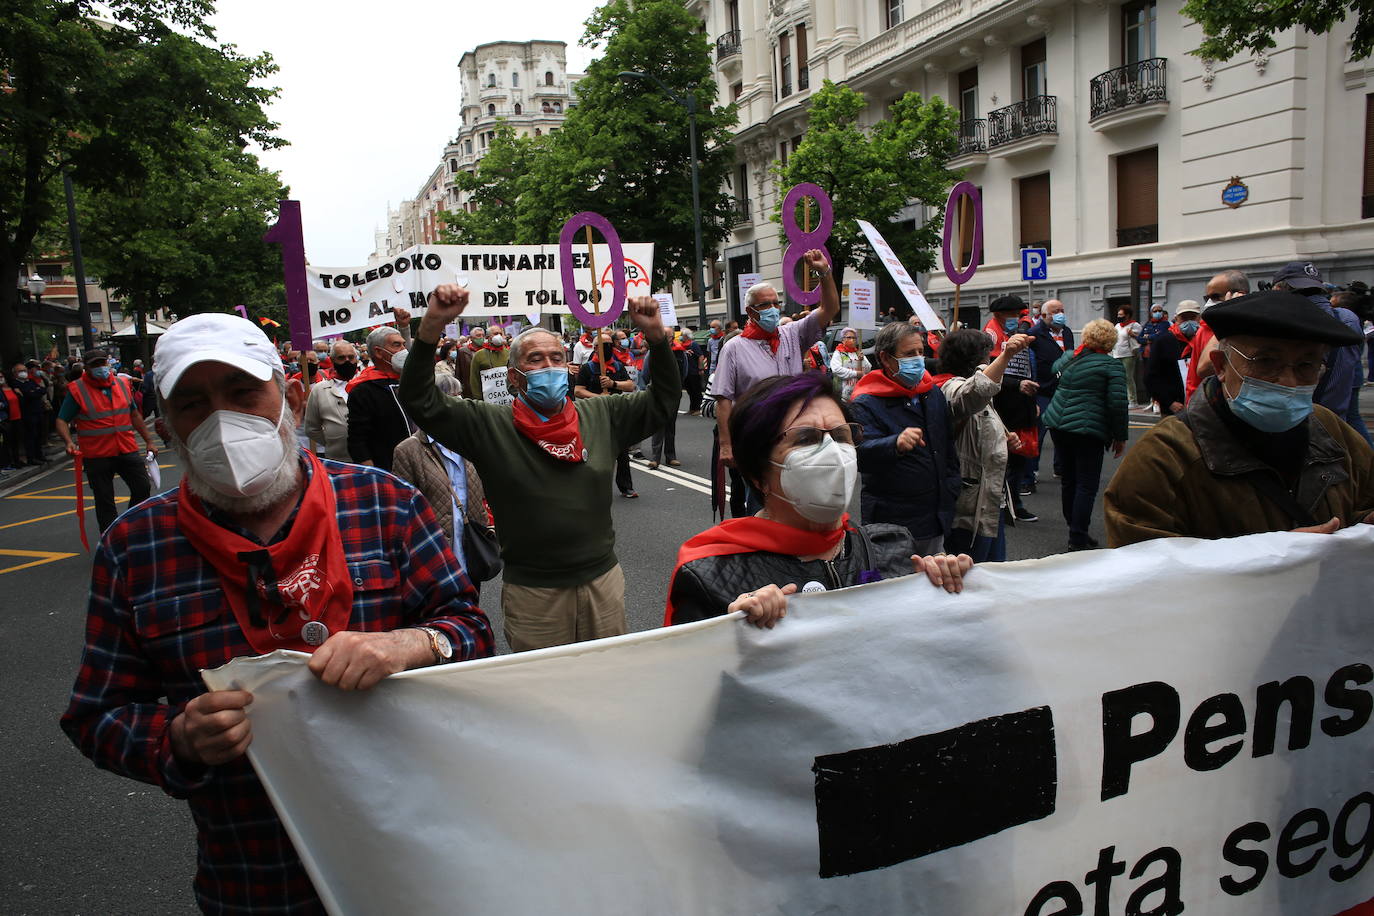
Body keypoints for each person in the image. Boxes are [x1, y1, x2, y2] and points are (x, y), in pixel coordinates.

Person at [59, 312, 492, 915]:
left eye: (242, 394)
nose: (222, 421)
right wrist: (177, 739)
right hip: (254, 878)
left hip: (413, 855)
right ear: (166, 426)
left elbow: (468, 629)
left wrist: (410, 645)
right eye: (193, 404)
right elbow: (97, 715)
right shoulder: (135, 547)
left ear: (288, 395)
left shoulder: (383, 502)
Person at [402, 288, 681, 652]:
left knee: (609, 685)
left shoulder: (602, 414)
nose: (548, 366)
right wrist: (431, 327)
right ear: (515, 377)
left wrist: (658, 338)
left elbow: (664, 399)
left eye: (556, 358)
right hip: (534, 596)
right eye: (535, 359)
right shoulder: (488, 425)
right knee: (545, 698)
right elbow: (419, 399)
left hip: (602, 584)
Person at [664, 371, 973, 626]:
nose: (834, 453)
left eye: (841, 436)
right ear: (759, 474)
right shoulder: (710, 577)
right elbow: (695, 686)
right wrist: (730, 633)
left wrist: (940, 590)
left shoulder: (892, 547)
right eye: (806, 439)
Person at [1106, 290, 1374, 545]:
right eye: (1266, 361)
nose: (1288, 381)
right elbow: (1142, 568)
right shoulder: (1164, 456)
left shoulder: (1331, 431)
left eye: (1307, 365)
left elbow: (1364, 501)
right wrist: (1267, 560)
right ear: (1221, 366)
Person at [712, 251, 840, 513]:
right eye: (764, 305)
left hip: (795, 433)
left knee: (796, 496)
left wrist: (824, 272)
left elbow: (830, 309)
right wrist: (727, 446)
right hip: (756, 437)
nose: (772, 309)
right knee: (761, 500)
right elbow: (723, 399)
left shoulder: (793, 333)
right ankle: (759, 549)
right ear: (750, 311)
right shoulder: (734, 348)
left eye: (776, 303)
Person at [850, 321, 960, 555]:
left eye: (921, 352)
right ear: (886, 358)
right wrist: (894, 444)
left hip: (936, 512)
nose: (919, 360)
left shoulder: (931, 392)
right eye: (909, 354)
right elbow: (858, 454)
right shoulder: (865, 402)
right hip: (893, 520)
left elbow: (947, 444)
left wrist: (952, 484)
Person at [391, 374, 495, 595]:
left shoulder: (472, 440)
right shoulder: (408, 450)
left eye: (459, 396)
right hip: (433, 553)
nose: (457, 402)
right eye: (450, 397)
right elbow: (400, 510)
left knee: (471, 609)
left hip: (471, 546)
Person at [937, 329, 1033, 561]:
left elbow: (982, 422)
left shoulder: (976, 386)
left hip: (989, 500)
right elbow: (977, 391)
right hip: (969, 505)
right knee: (972, 575)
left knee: (993, 575)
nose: (991, 360)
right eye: (987, 357)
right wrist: (1006, 355)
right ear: (974, 360)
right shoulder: (949, 387)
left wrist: (1003, 439)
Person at [1043, 319, 1129, 551]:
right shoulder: (1111, 366)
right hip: (1089, 429)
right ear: (1110, 340)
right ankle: (1078, 536)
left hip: (1059, 424)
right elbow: (1117, 404)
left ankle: (1075, 527)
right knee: (1087, 484)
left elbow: (1053, 369)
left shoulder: (1070, 357)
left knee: (1069, 480)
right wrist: (1120, 436)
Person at [55, 348, 157, 532]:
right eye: (95, 365)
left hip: (126, 448)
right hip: (97, 455)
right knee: (104, 499)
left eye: (102, 363)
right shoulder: (77, 389)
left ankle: (129, 527)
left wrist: (149, 441)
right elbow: (62, 420)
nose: (100, 367)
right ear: (87, 367)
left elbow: (134, 415)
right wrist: (68, 441)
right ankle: (111, 539)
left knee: (142, 487)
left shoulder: (121, 384)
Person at [1272, 261, 1370, 444]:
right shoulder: (1347, 318)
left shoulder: (1290, 323)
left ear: (1279, 290)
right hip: (1337, 425)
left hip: (1302, 429)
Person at [575, 329, 639, 498]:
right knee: (595, 454)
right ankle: (594, 488)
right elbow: (578, 391)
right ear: (596, 348)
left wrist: (613, 383)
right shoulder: (588, 368)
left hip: (616, 414)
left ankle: (626, 487)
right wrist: (599, 397)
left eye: (610, 344)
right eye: (604, 346)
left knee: (622, 453)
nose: (608, 348)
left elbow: (630, 385)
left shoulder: (618, 366)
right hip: (595, 415)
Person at [345, 323, 411, 471]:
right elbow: (357, 441)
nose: (403, 350)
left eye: (404, 345)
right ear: (378, 352)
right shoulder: (363, 390)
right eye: (396, 345)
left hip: (419, 467)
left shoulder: (410, 382)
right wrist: (373, 474)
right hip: (388, 469)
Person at [1023, 299, 1074, 489]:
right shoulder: (1034, 335)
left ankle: (1060, 467)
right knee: (1039, 432)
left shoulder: (1067, 332)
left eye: (1062, 309)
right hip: (1043, 390)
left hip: (1063, 390)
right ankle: (1032, 471)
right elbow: (1030, 363)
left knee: (1063, 430)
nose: (1060, 313)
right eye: (1055, 311)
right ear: (1044, 315)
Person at [1185, 268, 1250, 402]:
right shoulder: (1204, 329)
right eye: (1206, 298)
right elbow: (1201, 371)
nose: (1209, 303)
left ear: (1239, 295)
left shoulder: (1252, 326)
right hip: (1208, 406)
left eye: (1215, 297)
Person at [303, 339, 358, 461]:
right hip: (338, 460)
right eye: (341, 358)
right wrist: (333, 441)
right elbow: (311, 428)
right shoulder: (320, 390)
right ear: (333, 361)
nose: (347, 361)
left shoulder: (366, 385)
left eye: (351, 357)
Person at [1143, 301, 1199, 417]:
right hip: (1174, 409)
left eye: (1192, 317)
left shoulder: (1204, 340)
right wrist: (1169, 402)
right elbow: (1151, 377)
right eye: (1184, 318)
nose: (1188, 322)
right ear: (1176, 318)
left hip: (1200, 408)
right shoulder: (1163, 341)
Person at [10, 362, 48, 465]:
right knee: (31, 436)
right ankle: (31, 457)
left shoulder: (30, 381)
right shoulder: (15, 384)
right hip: (27, 413)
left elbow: (42, 390)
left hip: (38, 411)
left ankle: (39, 455)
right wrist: (34, 392)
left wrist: (34, 391)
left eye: (24, 371)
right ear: (14, 373)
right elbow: (28, 395)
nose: (23, 373)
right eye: (20, 371)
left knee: (39, 434)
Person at [1110, 305, 1143, 406]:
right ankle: (1123, 398)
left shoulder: (1134, 325)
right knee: (1119, 377)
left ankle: (1133, 400)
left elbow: (1141, 338)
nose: (1119, 316)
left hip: (1128, 354)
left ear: (1127, 315)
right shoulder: (1117, 326)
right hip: (1117, 354)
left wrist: (1133, 334)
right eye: (1118, 314)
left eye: (1121, 315)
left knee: (1128, 377)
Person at [468, 324, 510, 402]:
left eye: (501, 334)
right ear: (488, 337)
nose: (499, 336)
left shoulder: (508, 353)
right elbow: (474, 380)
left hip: (507, 399)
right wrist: (479, 399)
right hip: (488, 401)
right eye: (496, 334)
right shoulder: (479, 355)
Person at [828, 326, 868, 401]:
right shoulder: (839, 353)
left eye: (854, 338)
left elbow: (868, 368)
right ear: (843, 340)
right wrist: (855, 373)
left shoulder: (858, 352)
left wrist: (862, 360)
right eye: (849, 337)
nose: (852, 340)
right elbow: (836, 370)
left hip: (858, 394)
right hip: (842, 395)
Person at [455, 325, 484, 397]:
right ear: (471, 338)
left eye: (483, 335)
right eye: (478, 335)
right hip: (470, 389)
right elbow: (458, 372)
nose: (481, 337)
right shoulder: (463, 351)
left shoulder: (487, 351)